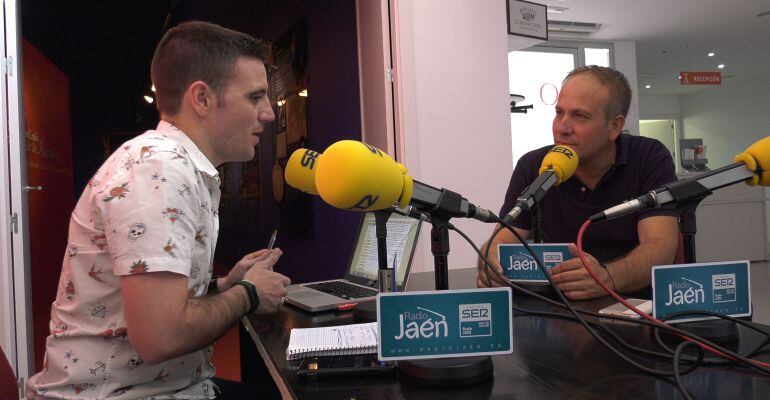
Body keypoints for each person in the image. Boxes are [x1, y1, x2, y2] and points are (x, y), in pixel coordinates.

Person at [27, 21, 290, 399]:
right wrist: (248, 293)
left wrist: (223, 286)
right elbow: (160, 336)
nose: (268, 113)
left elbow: (148, 304)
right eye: (255, 97)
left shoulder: (175, 166)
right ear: (201, 98)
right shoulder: (159, 172)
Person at [477, 66, 679, 300]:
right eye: (559, 112)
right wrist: (490, 256)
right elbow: (503, 238)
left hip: (635, 307)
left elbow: (661, 247)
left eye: (580, 116)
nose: (562, 127)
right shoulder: (534, 165)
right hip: (557, 312)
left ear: (614, 126)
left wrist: (607, 277)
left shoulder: (648, 157)